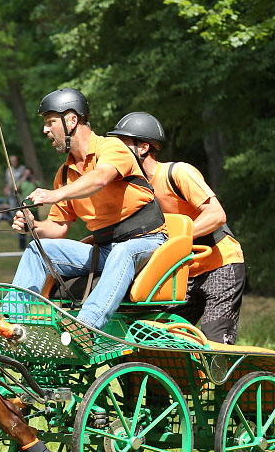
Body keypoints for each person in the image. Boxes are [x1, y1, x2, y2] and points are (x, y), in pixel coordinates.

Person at [9, 88, 167, 332]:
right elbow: (59, 227)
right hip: (104, 249)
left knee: (122, 252)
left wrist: (55, 195)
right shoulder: (64, 173)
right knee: (37, 250)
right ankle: (9, 327)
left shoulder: (112, 147)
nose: (45, 130)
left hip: (147, 241)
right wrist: (34, 225)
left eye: (50, 122)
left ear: (72, 120)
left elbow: (101, 178)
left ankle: (84, 329)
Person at [108, 112, 245, 344]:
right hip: (181, 274)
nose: (115, 154)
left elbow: (216, 215)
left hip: (220, 265)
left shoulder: (177, 173)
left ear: (142, 148)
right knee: (159, 342)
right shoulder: (134, 191)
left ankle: (226, 378)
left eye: (122, 146)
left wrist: (174, 240)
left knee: (215, 346)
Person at [1, 155, 27, 225]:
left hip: (21, 194)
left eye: (15, 160)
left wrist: (20, 184)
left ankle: (25, 224)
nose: (14, 162)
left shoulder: (22, 169)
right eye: (12, 161)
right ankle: (16, 223)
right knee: (13, 211)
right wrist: (6, 188)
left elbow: (25, 179)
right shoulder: (8, 170)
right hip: (11, 194)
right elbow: (7, 182)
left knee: (22, 210)